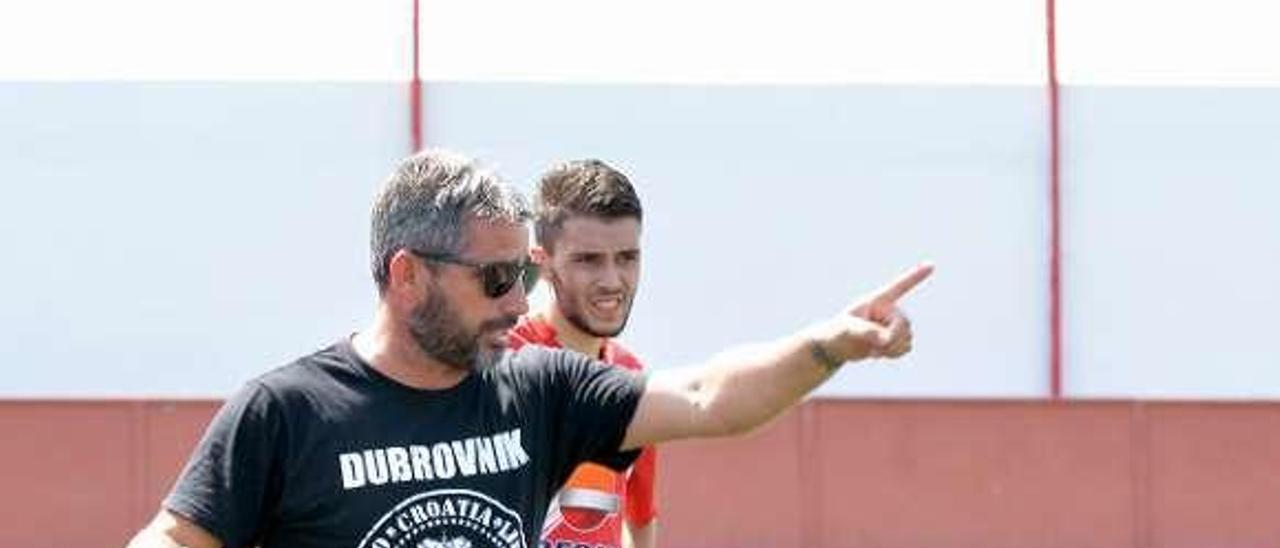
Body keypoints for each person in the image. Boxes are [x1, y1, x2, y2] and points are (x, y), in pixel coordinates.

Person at [127, 149, 932, 548]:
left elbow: (706, 399)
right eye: (496, 278)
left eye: (522, 274)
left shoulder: (541, 388)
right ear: (408, 277)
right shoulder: (289, 411)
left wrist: (829, 344)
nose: (520, 302)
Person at [506, 159, 657, 548]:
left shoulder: (632, 378)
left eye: (627, 257)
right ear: (543, 265)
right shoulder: (499, 366)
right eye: (588, 260)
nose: (611, 281)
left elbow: (641, 518)